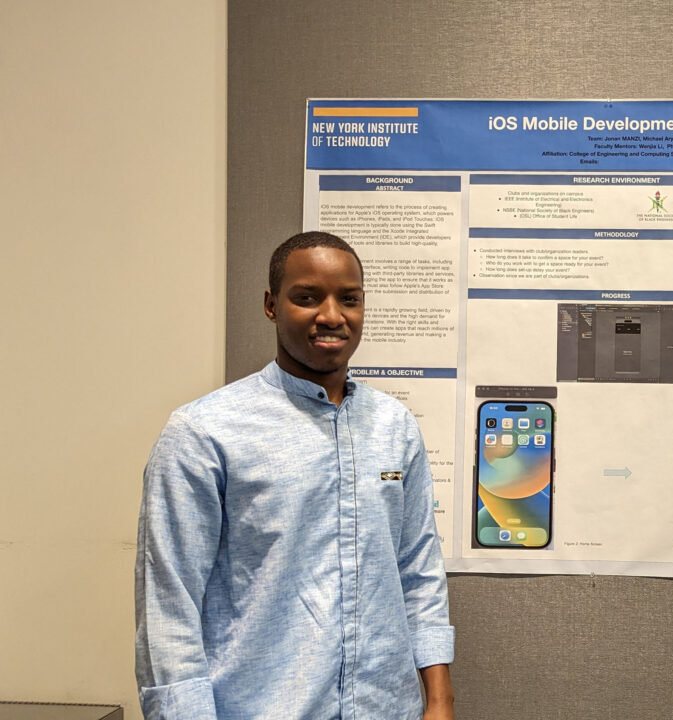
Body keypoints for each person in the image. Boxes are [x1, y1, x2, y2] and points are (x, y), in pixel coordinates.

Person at [135, 231, 455, 719]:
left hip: (388, 708)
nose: (331, 316)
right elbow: (168, 605)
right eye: (307, 298)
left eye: (348, 299)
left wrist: (438, 700)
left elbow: (418, 571)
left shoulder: (394, 426)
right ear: (271, 304)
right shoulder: (203, 433)